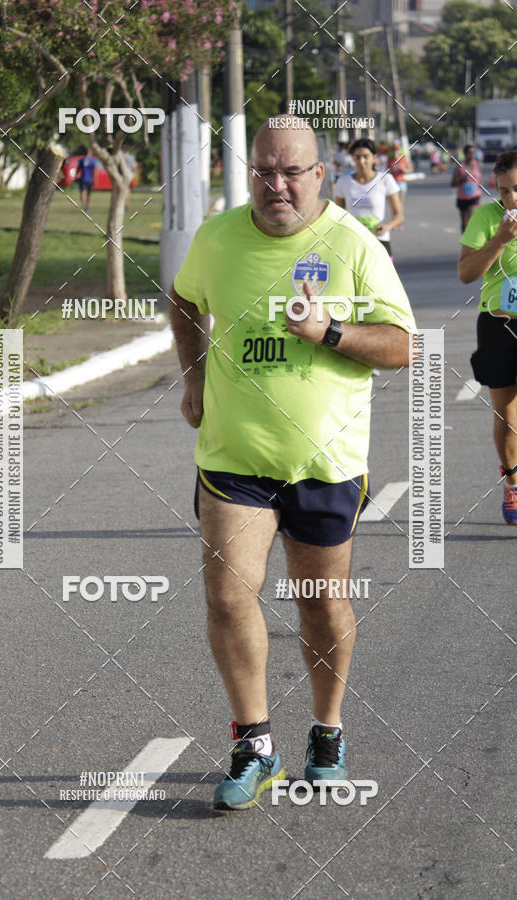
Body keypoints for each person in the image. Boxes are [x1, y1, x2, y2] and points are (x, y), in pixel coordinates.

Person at [169, 116, 416, 811]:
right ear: (249, 172)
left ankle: (327, 729)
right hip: (234, 456)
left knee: (319, 606)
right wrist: (192, 376)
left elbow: (404, 344)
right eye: (263, 171)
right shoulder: (217, 237)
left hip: (326, 462)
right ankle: (255, 743)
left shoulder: (353, 243)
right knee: (226, 594)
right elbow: (185, 297)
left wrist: (330, 331)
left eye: (291, 172)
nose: (276, 185)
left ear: (320, 175)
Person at [458, 148, 517, 525]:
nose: (512, 198)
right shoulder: (486, 217)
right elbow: (466, 273)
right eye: (505, 190)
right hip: (500, 326)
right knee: (508, 416)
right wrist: (498, 241)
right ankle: (513, 484)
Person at [334, 138, 403, 257]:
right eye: (357, 157)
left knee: (383, 276)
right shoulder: (343, 182)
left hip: (380, 241)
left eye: (366, 156)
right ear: (352, 158)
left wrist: (387, 226)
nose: (361, 161)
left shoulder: (386, 180)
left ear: (374, 157)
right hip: (353, 242)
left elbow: (399, 215)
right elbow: (338, 215)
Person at [451, 144, 483, 232]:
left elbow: (480, 180)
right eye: (469, 153)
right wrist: (461, 180)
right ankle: (464, 242)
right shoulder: (459, 166)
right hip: (462, 197)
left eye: (473, 153)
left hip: (474, 196)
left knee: (470, 220)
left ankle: (469, 242)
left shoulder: (478, 165)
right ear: (465, 154)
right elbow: (452, 184)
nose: (472, 155)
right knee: (464, 223)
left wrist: (480, 186)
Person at [387, 140, 413, 214]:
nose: (395, 151)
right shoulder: (390, 160)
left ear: (399, 150)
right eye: (394, 149)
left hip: (401, 183)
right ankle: (395, 220)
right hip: (393, 183)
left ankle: (399, 221)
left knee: (400, 203)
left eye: (396, 149)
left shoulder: (403, 159)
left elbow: (410, 170)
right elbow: (387, 171)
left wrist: (404, 170)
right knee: (394, 204)